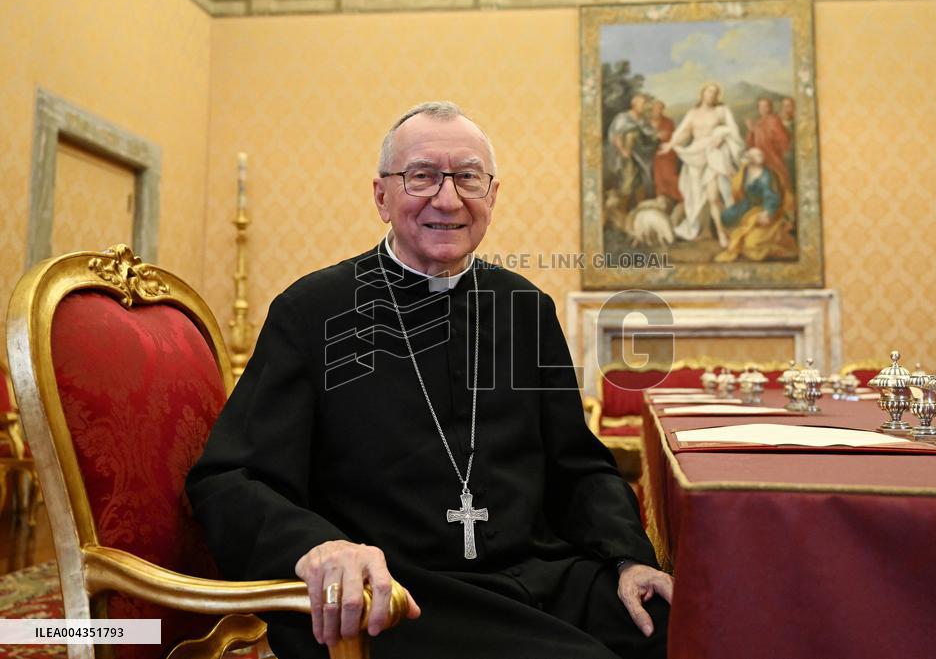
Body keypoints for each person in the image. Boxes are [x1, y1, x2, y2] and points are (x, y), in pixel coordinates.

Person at [186, 101, 673, 659]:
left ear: (492, 196)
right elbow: (229, 476)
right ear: (381, 196)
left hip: (540, 575)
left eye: (467, 177)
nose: (447, 198)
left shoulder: (524, 308)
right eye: (421, 176)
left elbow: (578, 465)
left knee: (682, 628)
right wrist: (317, 547)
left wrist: (626, 556)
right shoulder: (312, 311)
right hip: (399, 593)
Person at [658, 82, 743, 249]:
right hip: (695, 156)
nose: (711, 95)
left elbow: (733, 131)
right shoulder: (693, 113)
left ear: (717, 96)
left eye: (714, 93)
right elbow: (683, 133)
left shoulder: (722, 111)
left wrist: (721, 138)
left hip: (713, 155)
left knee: (713, 197)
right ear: (702, 94)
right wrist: (670, 145)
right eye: (708, 92)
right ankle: (704, 230)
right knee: (696, 197)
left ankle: (720, 232)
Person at [714, 147, 797, 263]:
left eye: (761, 154)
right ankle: (737, 235)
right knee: (725, 217)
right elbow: (737, 183)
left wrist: (767, 212)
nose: (761, 157)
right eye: (757, 155)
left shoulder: (767, 176)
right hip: (747, 205)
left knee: (752, 242)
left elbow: (772, 196)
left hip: (762, 209)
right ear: (749, 158)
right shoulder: (745, 171)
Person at [605, 94, 656, 231]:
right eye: (643, 104)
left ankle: (638, 221)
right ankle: (623, 221)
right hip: (626, 159)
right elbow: (616, 136)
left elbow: (650, 137)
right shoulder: (623, 118)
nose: (645, 106)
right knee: (627, 186)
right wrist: (623, 151)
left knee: (641, 187)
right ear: (635, 104)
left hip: (642, 159)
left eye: (646, 104)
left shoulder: (643, 120)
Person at [744, 97, 792, 195]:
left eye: (766, 106)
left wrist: (755, 129)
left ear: (770, 108)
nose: (763, 108)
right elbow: (750, 144)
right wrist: (751, 130)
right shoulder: (758, 122)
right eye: (761, 106)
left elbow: (783, 139)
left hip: (772, 156)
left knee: (777, 181)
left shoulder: (774, 120)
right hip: (759, 158)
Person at [648, 99, 683, 212]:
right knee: (658, 178)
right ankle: (662, 198)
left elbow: (669, 136)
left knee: (670, 176)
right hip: (652, 153)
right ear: (652, 109)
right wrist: (655, 137)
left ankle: (679, 197)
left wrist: (659, 136)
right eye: (656, 108)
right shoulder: (647, 122)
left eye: (660, 108)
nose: (658, 111)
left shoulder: (668, 121)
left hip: (667, 153)